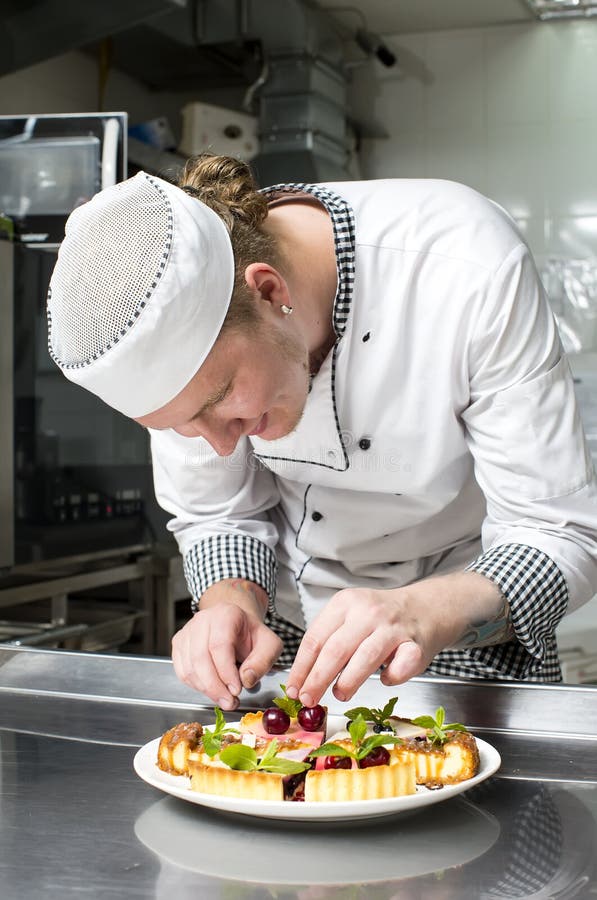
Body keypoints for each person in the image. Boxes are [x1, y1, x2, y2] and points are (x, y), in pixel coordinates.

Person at [47, 154, 597, 711]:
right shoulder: (183, 348)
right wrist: (228, 607)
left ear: (267, 291)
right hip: (288, 636)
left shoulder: (465, 264)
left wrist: (426, 610)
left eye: (219, 402)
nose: (218, 444)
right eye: (180, 426)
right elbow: (221, 513)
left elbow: (561, 532)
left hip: (465, 618)